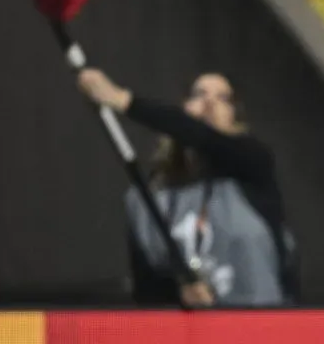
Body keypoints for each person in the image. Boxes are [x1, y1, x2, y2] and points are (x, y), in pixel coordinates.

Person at [77, 69, 297, 308]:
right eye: (199, 95)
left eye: (223, 98)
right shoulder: (149, 198)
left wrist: (122, 100)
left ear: (235, 117)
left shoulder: (254, 165)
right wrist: (181, 294)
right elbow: (148, 293)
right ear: (182, 109)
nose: (210, 102)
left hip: (262, 327)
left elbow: (204, 138)